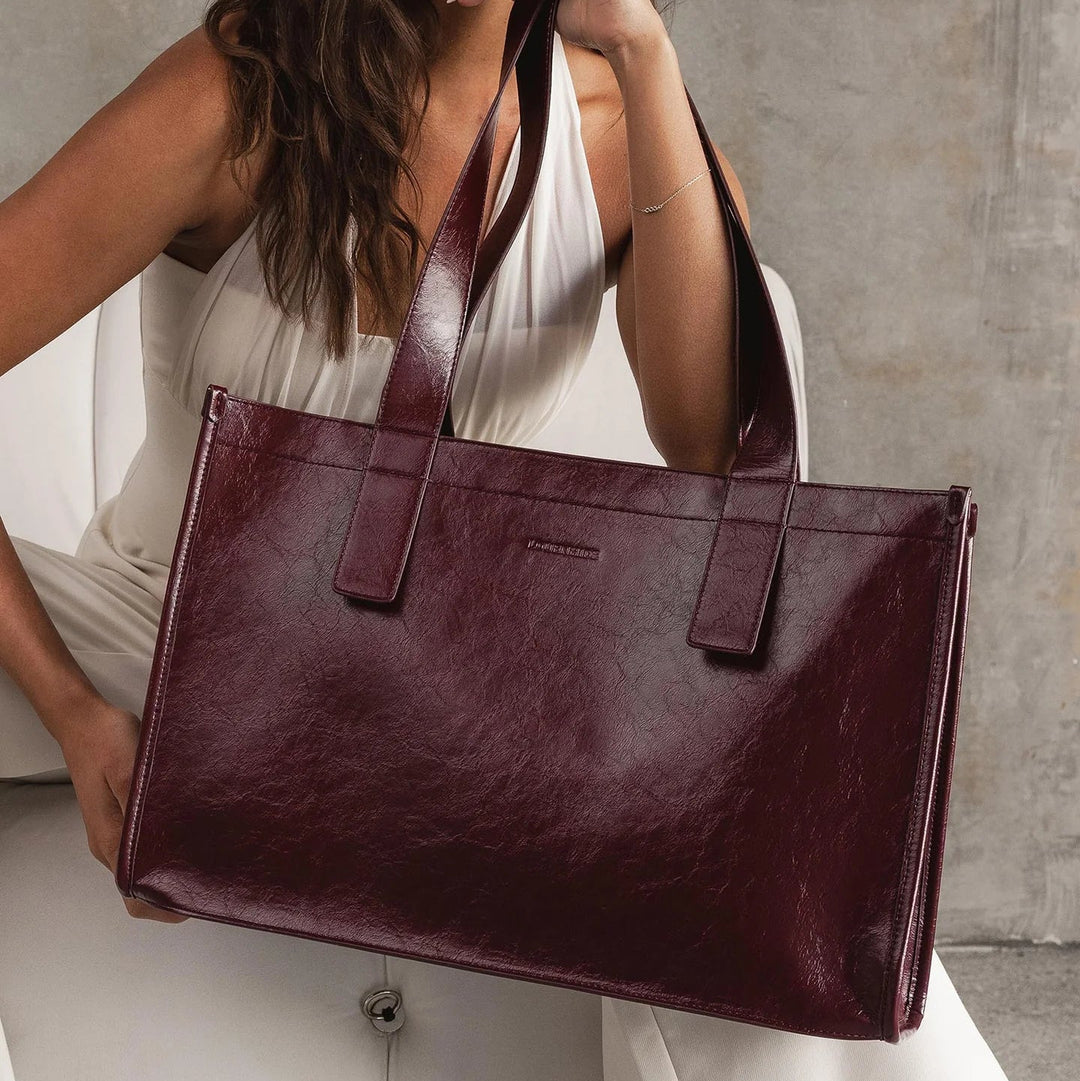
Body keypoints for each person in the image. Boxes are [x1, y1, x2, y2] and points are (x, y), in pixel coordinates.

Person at [0, 1, 1011, 1078]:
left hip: (440, 672)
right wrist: (74, 712)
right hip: (166, 629)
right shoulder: (241, 93)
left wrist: (643, 50)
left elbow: (718, 452)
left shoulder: (614, 128)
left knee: (762, 853)